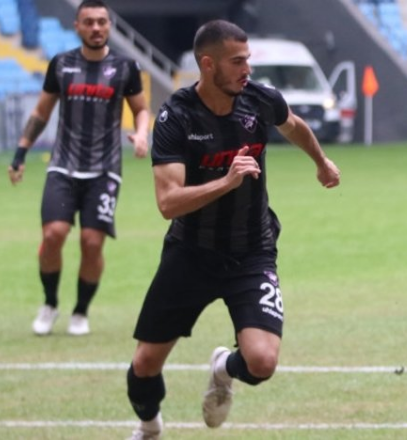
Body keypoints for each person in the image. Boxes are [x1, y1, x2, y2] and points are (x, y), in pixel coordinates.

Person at [125, 20, 340, 439]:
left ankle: (223, 367)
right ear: (208, 65)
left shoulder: (259, 99)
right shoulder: (176, 116)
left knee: (261, 363)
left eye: (248, 60)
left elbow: (294, 124)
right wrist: (226, 181)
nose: (247, 69)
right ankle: (150, 428)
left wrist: (321, 162)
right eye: (237, 61)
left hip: (252, 251)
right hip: (191, 253)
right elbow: (167, 203)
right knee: (145, 365)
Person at [7, 0, 150, 336]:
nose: (96, 28)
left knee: (91, 242)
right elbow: (41, 112)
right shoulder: (61, 64)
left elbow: (141, 109)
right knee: (53, 235)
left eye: (102, 21)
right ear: (77, 26)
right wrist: (20, 153)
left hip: (105, 170)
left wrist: (142, 134)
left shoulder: (125, 67)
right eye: (89, 22)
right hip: (63, 166)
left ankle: (81, 311)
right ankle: (50, 303)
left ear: (109, 26)